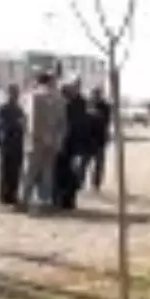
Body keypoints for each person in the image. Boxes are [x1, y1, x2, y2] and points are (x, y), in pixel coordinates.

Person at [21, 71, 65, 212]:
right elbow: (62, 123)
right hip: (45, 140)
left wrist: (46, 136)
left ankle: (29, 199)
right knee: (42, 171)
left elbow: (32, 120)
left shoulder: (35, 96)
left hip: (38, 140)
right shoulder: (51, 98)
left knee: (35, 171)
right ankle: (39, 200)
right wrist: (55, 138)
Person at [55, 77, 90, 210]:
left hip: (73, 144)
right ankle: (62, 199)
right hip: (65, 143)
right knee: (62, 173)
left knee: (71, 173)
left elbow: (79, 124)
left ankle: (68, 200)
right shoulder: (64, 101)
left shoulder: (78, 103)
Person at [0, 83, 26, 207]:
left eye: (16, 92)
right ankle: (4, 195)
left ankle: (13, 194)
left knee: (15, 170)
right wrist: (16, 124)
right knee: (5, 170)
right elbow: (0, 124)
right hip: (7, 142)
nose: (15, 95)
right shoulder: (3, 107)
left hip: (18, 142)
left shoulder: (19, 108)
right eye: (13, 92)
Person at [81, 85, 112, 191]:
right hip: (87, 139)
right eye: (94, 93)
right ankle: (80, 183)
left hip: (100, 139)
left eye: (98, 94)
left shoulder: (105, 106)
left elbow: (106, 121)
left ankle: (96, 184)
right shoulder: (86, 104)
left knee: (99, 164)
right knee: (83, 163)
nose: (96, 96)